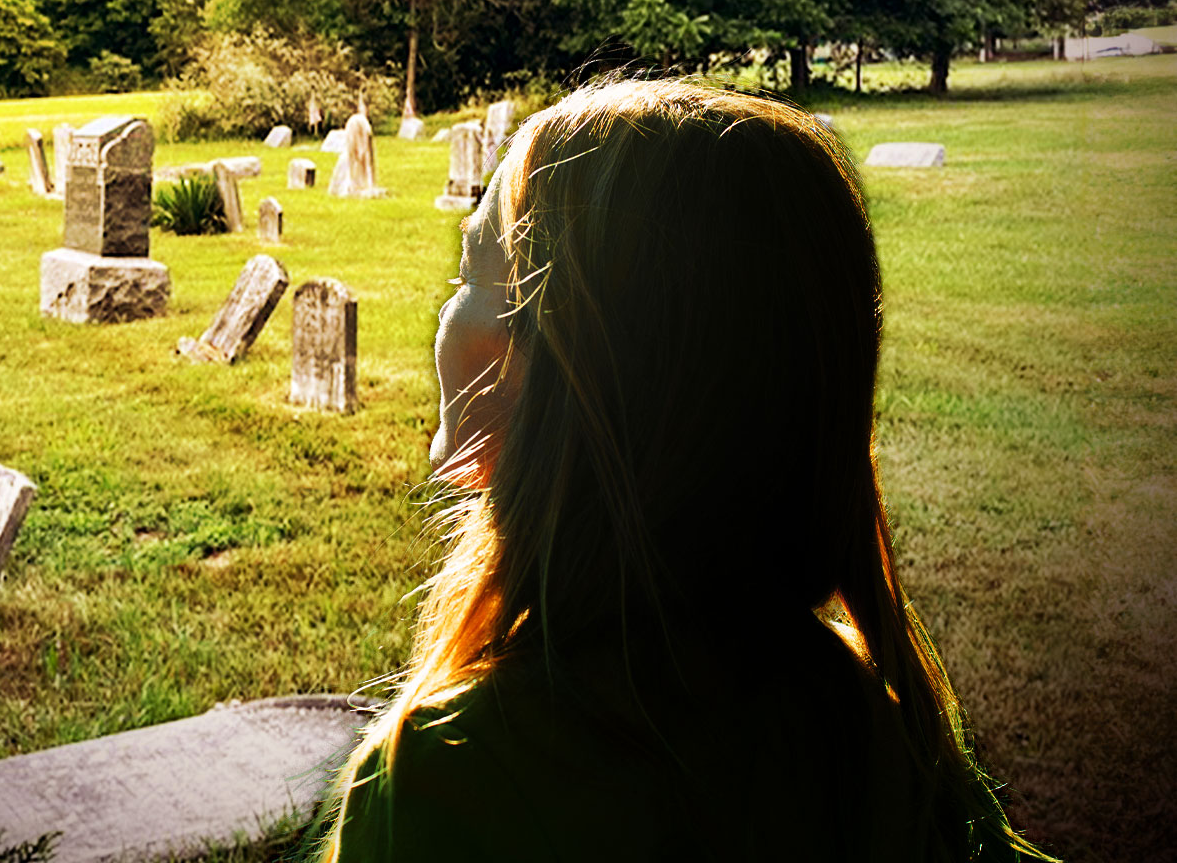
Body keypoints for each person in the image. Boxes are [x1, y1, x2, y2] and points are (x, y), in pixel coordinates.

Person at [312, 79, 1051, 861]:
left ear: (557, 371)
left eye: (469, 277)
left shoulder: (445, 777)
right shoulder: (873, 722)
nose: (445, 312)